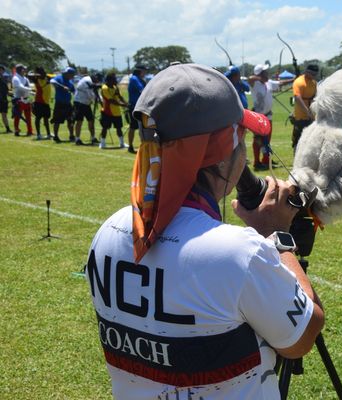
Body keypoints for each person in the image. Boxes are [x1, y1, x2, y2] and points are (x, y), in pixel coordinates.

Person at [86, 63, 324, 399]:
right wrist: (276, 239)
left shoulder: (109, 230)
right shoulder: (240, 252)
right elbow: (302, 338)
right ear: (223, 152)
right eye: (240, 139)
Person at [247, 63, 293, 170]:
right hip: (259, 116)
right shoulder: (254, 84)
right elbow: (249, 78)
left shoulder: (268, 83)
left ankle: (266, 160)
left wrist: (293, 80)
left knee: (267, 140)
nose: (267, 74)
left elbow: (280, 83)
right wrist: (260, 77)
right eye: (265, 72)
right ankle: (257, 163)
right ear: (260, 74)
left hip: (268, 116)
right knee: (258, 140)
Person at [291, 64, 318, 150]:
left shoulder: (314, 83)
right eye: (312, 74)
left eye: (315, 75)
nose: (314, 76)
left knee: (311, 141)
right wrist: (307, 112)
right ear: (307, 72)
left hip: (312, 116)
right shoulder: (299, 82)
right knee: (299, 140)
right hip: (300, 117)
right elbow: (297, 98)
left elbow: (315, 96)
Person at [99, 72, 127, 149]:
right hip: (107, 112)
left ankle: (122, 143)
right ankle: (102, 143)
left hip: (116, 112)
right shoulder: (105, 88)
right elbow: (111, 100)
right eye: (114, 79)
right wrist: (122, 105)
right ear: (109, 80)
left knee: (119, 128)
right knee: (105, 127)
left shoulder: (115, 87)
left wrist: (127, 104)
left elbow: (120, 97)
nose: (116, 80)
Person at [73, 72, 102, 145]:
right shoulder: (87, 81)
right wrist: (99, 100)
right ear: (95, 77)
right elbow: (91, 95)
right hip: (79, 102)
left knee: (91, 120)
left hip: (86, 103)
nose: (97, 82)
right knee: (79, 121)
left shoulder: (91, 82)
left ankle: (93, 137)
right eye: (97, 80)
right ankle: (77, 139)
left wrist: (100, 100)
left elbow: (96, 93)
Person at [50, 66, 76, 142]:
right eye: (71, 74)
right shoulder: (59, 78)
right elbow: (52, 81)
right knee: (57, 120)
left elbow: (74, 91)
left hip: (68, 103)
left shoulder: (70, 82)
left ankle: (71, 135)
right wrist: (62, 87)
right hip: (59, 103)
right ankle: (56, 136)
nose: (72, 76)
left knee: (70, 120)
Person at [126, 64, 147, 154]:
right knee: (133, 126)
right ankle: (130, 146)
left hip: (140, 106)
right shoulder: (134, 78)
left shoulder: (140, 79)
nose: (145, 72)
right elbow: (142, 90)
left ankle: (143, 146)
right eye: (144, 70)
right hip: (135, 106)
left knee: (142, 127)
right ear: (140, 71)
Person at [11, 64, 34, 136]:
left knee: (28, 116)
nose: (25, 70)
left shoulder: (26, 78)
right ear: (20, 70)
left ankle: (30, 131)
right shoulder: (15, 78)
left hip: (26, 99)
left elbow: (29, 86)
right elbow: (20, 87)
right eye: (23, 69)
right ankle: (16, 130)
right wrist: (31, 90)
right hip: (18, 99)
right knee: (18, 116)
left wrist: (31, 91)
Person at [31, 67, 52, 140]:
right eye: (41, 72)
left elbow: (53, 76)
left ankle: (48, 134)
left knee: (46, 118)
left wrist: (46, 76)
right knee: (38, 118)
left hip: (46, 102)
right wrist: (37, 74)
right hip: (39, 101)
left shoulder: (47, 77)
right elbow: (30, 75)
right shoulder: (36, 79)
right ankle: (38, 134)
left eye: (43, 71)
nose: (43, 72)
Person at [0, 65, 11, 133]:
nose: (0, 71)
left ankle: (7, 129)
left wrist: (10, 94)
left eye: (1, 70)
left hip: (4, 99)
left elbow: (6, 89)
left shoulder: (4, 79)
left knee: (4, 114)